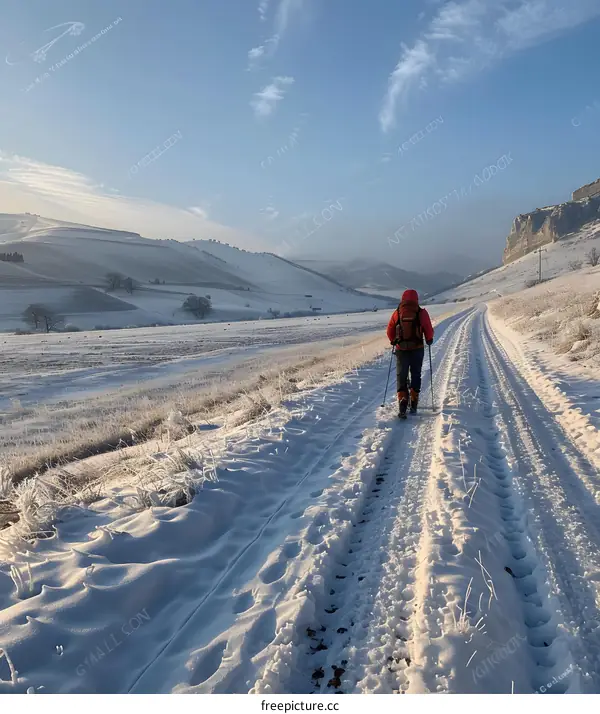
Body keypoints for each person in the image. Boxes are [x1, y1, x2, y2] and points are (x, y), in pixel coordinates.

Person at [386, 289, 434, 418]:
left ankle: (402, 401)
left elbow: (390, 329)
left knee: (401, 375)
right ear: (416, 299)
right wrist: (429, 339)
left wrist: (393, 341)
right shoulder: (421, 312)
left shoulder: (397, 313)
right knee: (416, 374)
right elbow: (428, 329)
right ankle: (413, 401)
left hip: (401, 349)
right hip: (417, 348)